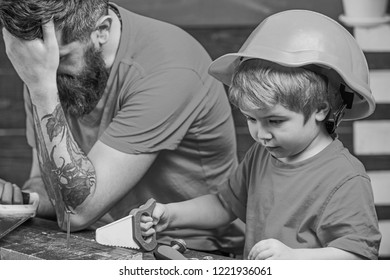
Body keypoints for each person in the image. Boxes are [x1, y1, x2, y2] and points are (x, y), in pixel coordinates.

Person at [0, 0, 244, 255]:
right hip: (96, 241)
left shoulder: (170, 67)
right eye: (34, 64)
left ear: (102, 30)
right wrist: (20, 201)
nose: (46, 71)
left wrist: (41, 87)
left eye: (61, 57)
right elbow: (49, 187)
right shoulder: (41, 67)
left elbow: (76, 213)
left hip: (185, 249)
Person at [139, 10, 382, 259]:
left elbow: (358, 257)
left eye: (275, 121)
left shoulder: (346, 178)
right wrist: (171, 215)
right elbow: (224, 205)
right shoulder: (262, 155)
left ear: (321, 109)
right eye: (251, 119)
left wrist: (294, 258)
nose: (261, 134)